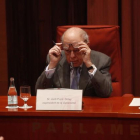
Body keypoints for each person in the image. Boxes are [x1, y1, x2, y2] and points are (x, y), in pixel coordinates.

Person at [35, 27, 112, 97]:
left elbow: (105, 93)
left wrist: (89, 64)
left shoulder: (102, 60)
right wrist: (52, 65)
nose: (72, 56)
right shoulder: (55, 58)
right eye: (67, 51)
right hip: (62, 109)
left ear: (87, 45)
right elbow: (39, 93)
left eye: (76, 50)